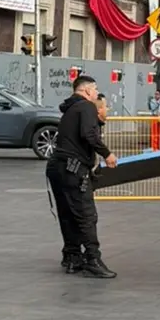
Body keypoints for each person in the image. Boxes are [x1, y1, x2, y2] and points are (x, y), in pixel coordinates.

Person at [46, 75, 118, 278]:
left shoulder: (70, 109)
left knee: (68, 214)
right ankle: (93, 259)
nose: (96, 94)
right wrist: (107, 153)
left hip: (57, 167)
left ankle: (72, 257)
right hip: (73, 168)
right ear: (87, 91)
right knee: (86, 215)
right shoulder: (86, 107)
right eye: (95, 90)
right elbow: (88, 134)